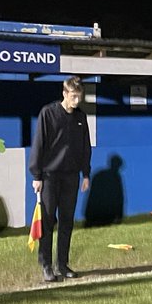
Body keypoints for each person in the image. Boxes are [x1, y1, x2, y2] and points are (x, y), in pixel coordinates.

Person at [29, 76, 92, 283]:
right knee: (48, 221)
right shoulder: (48, 113)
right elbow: (39, 144)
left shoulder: (81, 117)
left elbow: (85, 147)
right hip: (49, 177)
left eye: (79, 97)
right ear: (64, 93)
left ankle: (62, 264)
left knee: (67, 222)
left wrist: (86, 174)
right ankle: (46, 265)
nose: (76, 101)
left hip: (71, 177)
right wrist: (37, 176)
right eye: (73, 97)